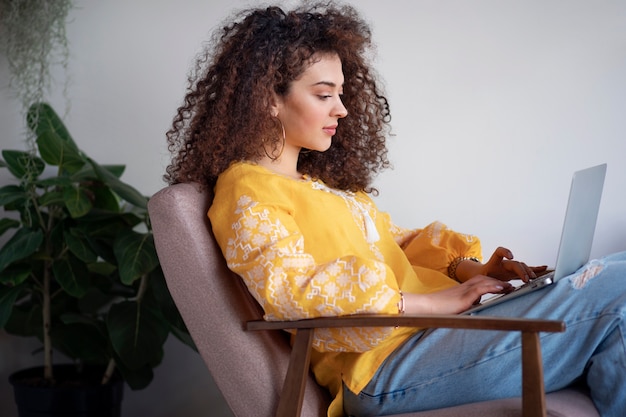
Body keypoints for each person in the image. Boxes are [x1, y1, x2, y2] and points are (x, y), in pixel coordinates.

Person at [164, 3, 626, 416]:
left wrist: (471, 270)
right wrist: (434, 303)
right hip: (386, 373)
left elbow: (399, 242)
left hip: (432, 341)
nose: (342, 109)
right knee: (616, 280)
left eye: (342, 94)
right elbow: (291, 292)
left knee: (616, 283)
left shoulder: (324, 189)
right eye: (324, 94)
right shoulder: (247, 190)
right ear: (269, 98)